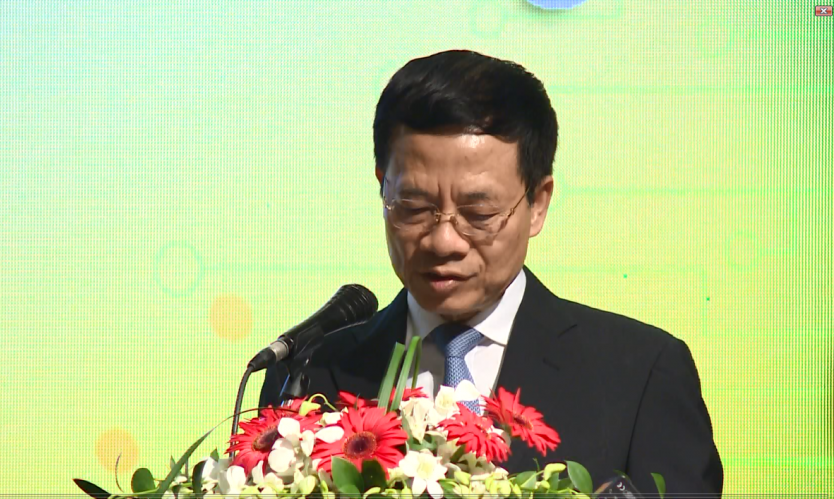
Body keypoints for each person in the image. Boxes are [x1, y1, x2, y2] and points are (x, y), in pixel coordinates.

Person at [259, 49, 723, 495]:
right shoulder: (312, 371)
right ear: (383, 188)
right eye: (414, 207)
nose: (443, 241)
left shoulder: (639, 376)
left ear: (537, 204)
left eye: (478, 213)